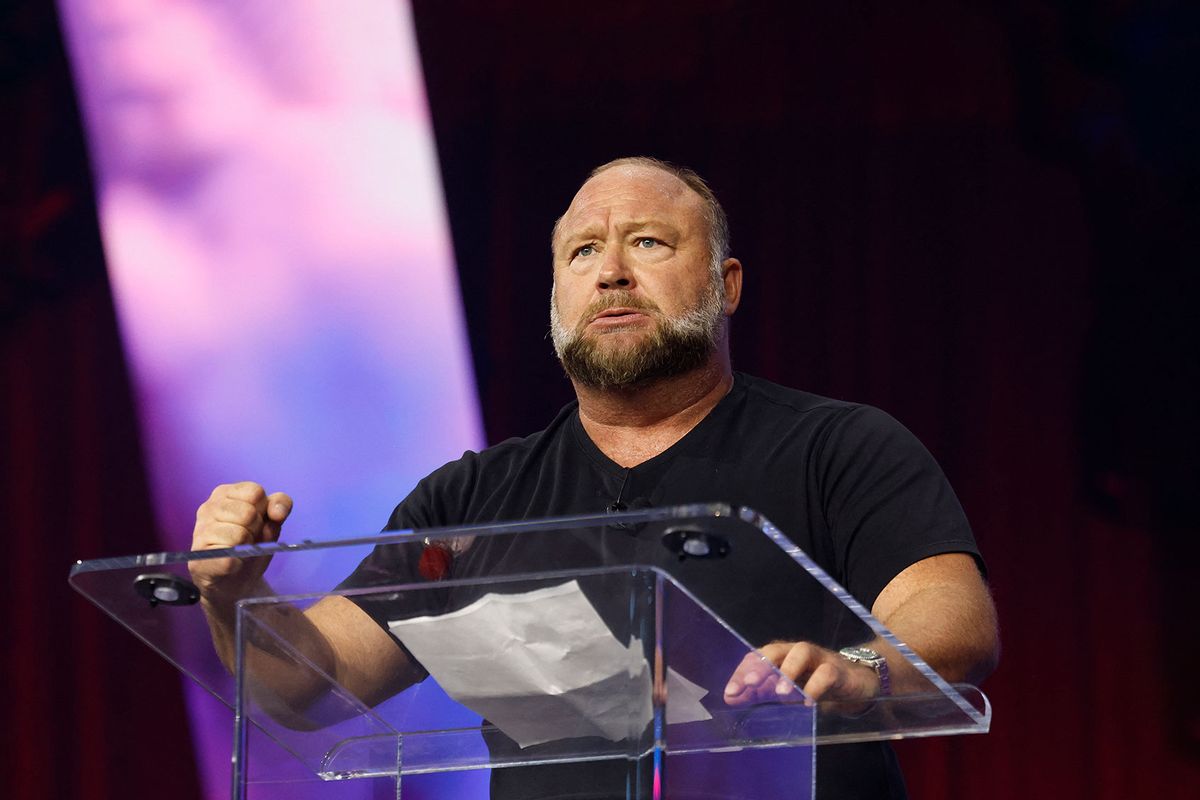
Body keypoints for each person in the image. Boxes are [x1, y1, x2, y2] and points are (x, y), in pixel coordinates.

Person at [191, 156, 1000, 798]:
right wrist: (232, 596)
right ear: (556, 297)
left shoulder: (840, 447)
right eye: (583, 252)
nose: (611, 272)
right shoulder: (472, 500)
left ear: (726, 285)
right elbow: (310, 686)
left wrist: (855, 670)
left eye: (648, 242)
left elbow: (953, 623)